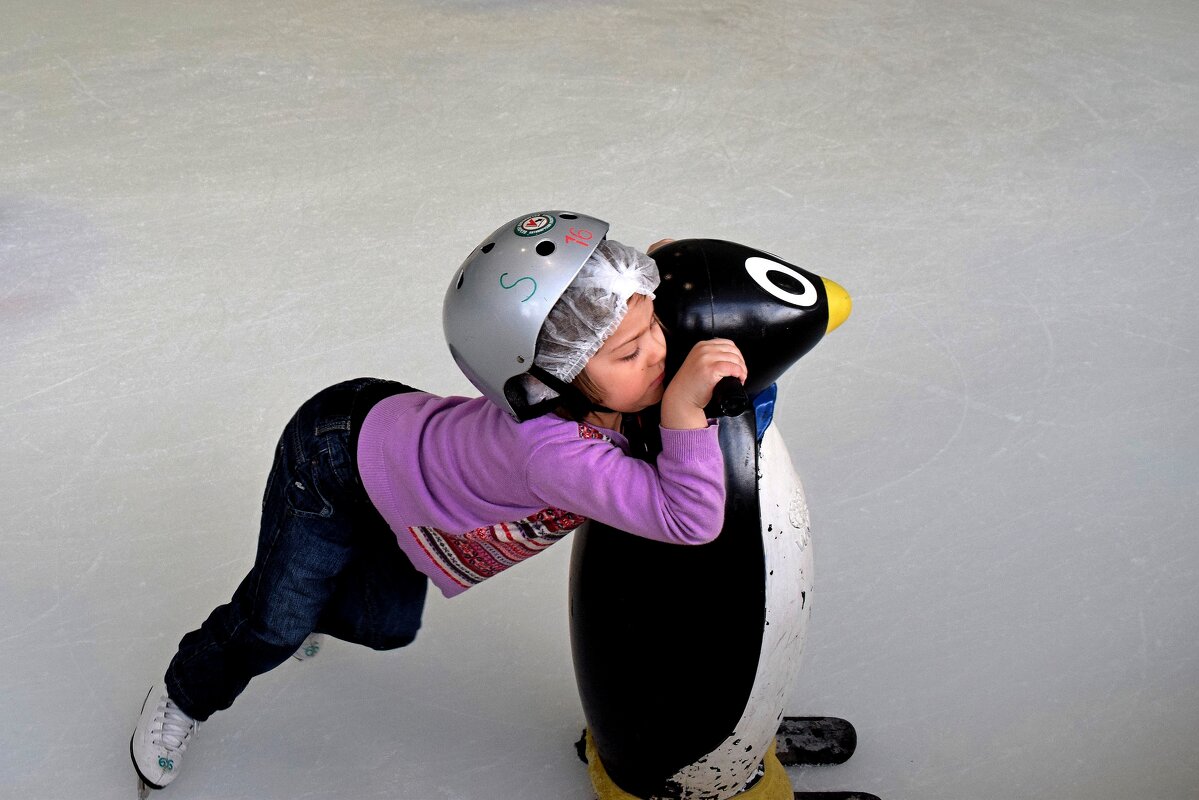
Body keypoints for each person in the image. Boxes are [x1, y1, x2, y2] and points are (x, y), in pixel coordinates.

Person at [130, 211, 747, 790]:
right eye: (630, 352)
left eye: (654, 327)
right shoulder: (554, 455)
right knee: (275, 625)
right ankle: (184, 691)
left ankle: (319, 589)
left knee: (384, 626)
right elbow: (687, 519)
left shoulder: (585, 389)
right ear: (546, 376)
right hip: (334, 463)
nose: (662, 354)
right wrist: (684, 412)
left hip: (400, 469)